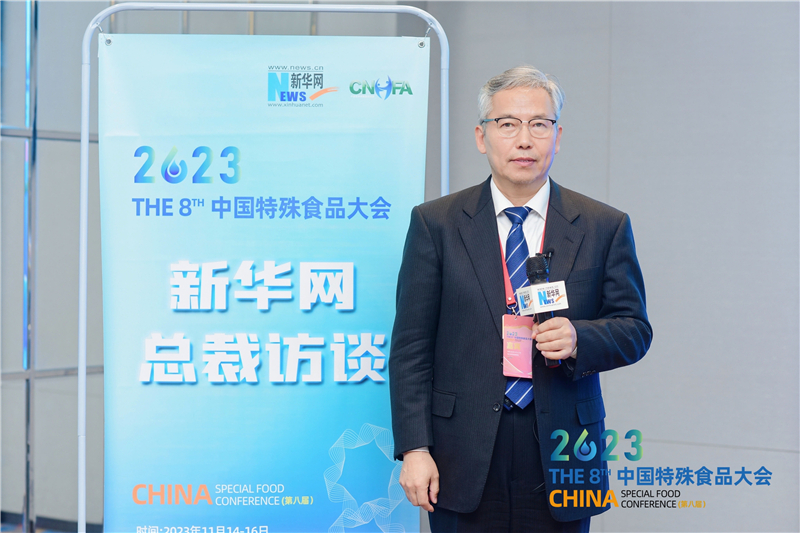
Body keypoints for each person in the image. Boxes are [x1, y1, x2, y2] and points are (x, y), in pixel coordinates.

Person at [389, 66, 652, 532]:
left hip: (563, 445)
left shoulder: (603, 225)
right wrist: (415, 448)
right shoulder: (437, 224)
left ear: (558, 136)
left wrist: (579, 338)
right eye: (508, 124)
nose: (524, 140)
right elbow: (411, 347)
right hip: (460, 449)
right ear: (482, 136)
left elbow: (634, 329)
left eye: (539, 124)